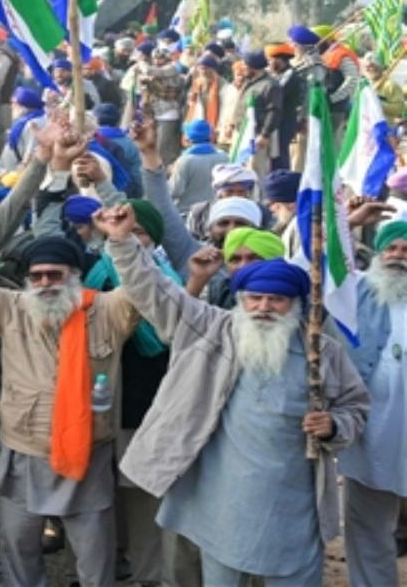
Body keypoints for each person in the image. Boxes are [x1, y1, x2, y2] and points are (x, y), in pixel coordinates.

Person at [98, 203, 369, 585]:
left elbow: (356, 407)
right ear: (240, 299)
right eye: (254, 298)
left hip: (293, 505)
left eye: (276, 300)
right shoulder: (210, 329)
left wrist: (333, 425)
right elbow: (152, 290)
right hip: (220, 504)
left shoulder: (322, 354)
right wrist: (122, 241)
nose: (263, 307)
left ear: (295, 305)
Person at [0, 207, 139, 586]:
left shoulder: (108, 311)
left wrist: (121, 240)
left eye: (55, 275)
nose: (45, 283)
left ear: (75, 277)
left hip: (88, 452)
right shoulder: (12, 308)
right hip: (23, 449)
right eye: (37, 276)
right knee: (18, 545)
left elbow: (142, 289)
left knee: (95, 553)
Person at [339, 220, 407, 586]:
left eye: (406, 250)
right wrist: (349, 222)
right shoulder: (358, 289)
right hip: (374, 430)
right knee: (369, 526)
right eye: (391, 249)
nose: (398, 257)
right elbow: (316, 264)